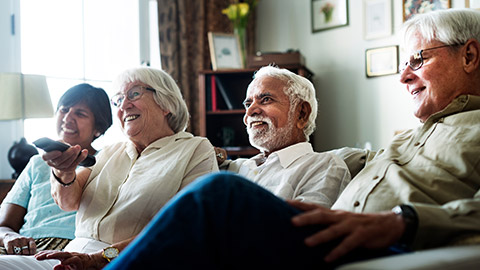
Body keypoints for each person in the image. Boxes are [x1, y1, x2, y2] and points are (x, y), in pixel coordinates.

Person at [103, 9, 480, 269]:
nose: (403, 77)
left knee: (222, 193)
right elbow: (343, 158)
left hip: (381, 246)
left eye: (417, 59)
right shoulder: (404, 143)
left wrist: (401, 222)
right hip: (342, 239)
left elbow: (321, 163)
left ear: (470, 55)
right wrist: (209, 156)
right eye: (402, 66)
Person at [0, 67, 219, 269]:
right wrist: (64, 171)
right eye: (118, 100)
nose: (123, 106)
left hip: (129, 260)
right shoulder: (109, 152)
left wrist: (100, 258)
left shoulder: (195, 150)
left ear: (166, 103)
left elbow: (183, 228)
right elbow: (68, 202)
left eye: (134, 94)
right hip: (70, 257)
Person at [0, 83, 112, 256]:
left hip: (72, 247)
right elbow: (3, 224)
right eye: (64, 109)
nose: (68, 118)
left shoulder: (109, 160)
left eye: (80, 113)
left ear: (98, 128)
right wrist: (9, 237)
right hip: (22, 247)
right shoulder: (37, 163)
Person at [216, 66, 350, 207]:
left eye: (266, 100)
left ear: (301, 114)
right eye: (248, 104)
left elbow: (302, 225)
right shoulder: (236, 166)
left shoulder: (324, 166)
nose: (249, 112)